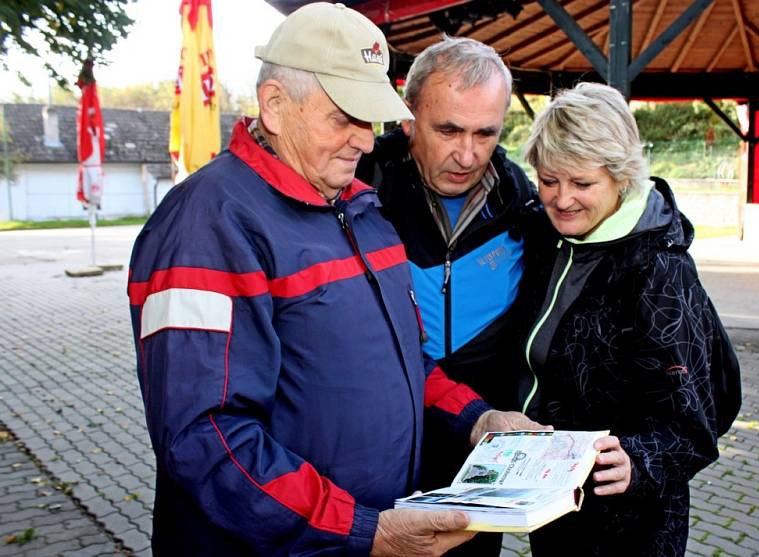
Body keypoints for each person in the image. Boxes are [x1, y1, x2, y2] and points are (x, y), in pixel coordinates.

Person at [127, 4, 538, 556]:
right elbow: (206, 439)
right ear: (275, 106)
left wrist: (477, 417)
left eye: (369, 120)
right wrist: (363, 531)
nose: (365, 142)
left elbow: (403, 363)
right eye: (343, 118)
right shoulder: (208, 224)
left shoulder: (362, 210)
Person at [520, 82, 741, 556]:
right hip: (556, 497)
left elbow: (695, 425)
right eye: (549, 180)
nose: (561, 200)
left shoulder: (659, 269)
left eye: (582, 184)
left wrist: (638, 459)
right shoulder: (549, 237)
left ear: (621, 178)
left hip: (632, 521)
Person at [356, 37, 545, 556]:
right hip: (381, 446)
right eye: (448, 130)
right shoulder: (358, 192)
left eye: (486, 133)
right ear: (408, 116)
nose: (467, 154)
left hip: (478, 447)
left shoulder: (521, 201)